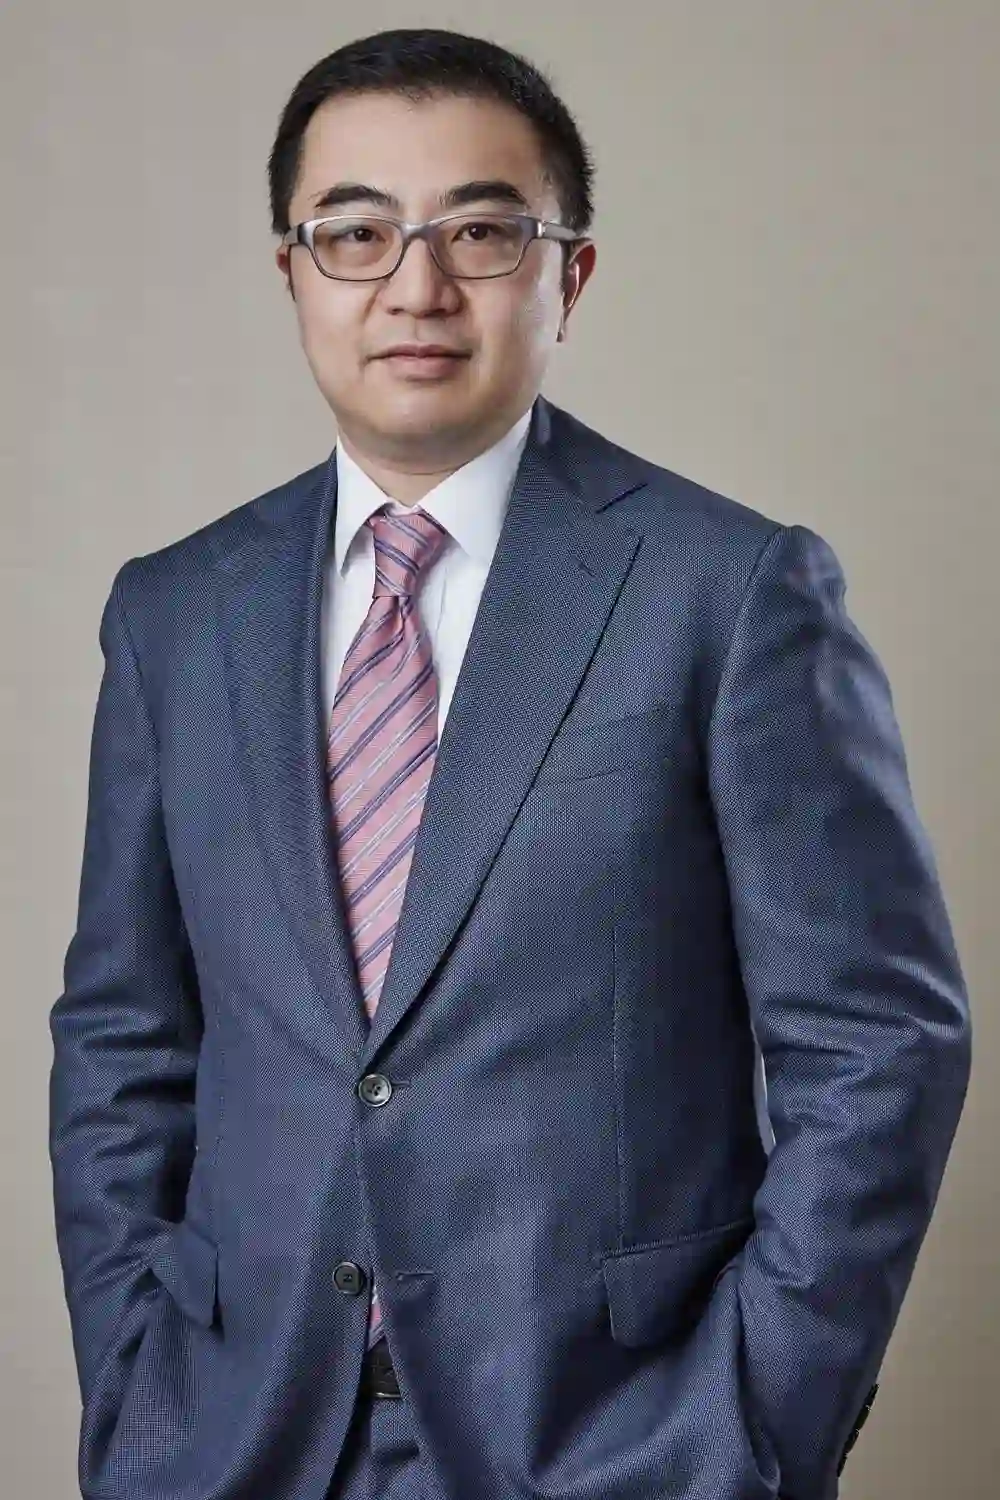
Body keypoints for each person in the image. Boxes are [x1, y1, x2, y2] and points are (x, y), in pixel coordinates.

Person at [48, 25, 972, 1500]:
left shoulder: (729, 593)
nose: (415, 286)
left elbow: (878, 1042)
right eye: (356, 233)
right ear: (292, 273)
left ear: (569, 275)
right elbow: (124, 1039)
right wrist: (134, 1388)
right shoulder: (173, 613)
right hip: (232, 1438)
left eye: (480, 232)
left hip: (616, 1442)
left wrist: (750, 1424)